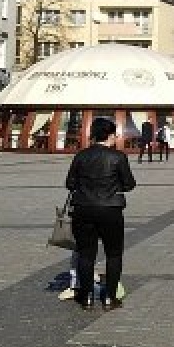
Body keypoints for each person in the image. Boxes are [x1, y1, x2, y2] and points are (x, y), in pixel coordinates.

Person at [64, 116, 136, 310]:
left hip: (83, 209)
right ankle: (109, 298)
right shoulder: (118, 157)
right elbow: (129, 184)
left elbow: (69, 183)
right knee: (113, 254)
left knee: (86, 255)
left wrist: (87, 186)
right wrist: (112, 186)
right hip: (110, 210)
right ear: (111, 135)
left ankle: (86, 297)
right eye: (115, 135)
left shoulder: (81, 155)